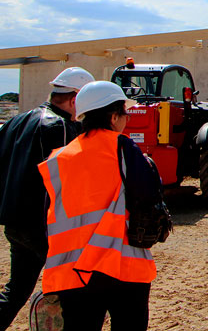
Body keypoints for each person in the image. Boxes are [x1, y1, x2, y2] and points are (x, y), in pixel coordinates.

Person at [38, 80, 160, 330]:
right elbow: (149, 194)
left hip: (72, 271)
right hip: (122, 264)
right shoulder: (122, 147)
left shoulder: (57, 158)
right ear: (114, 117)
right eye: (124, 114)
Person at [0, 67, 94, 330]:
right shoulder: (59, 127)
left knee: (16, 290)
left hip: (15, 222)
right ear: (75, 97)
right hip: (44, 225)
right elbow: (66, 182)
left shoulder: (16, 121)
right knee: (74, 289)